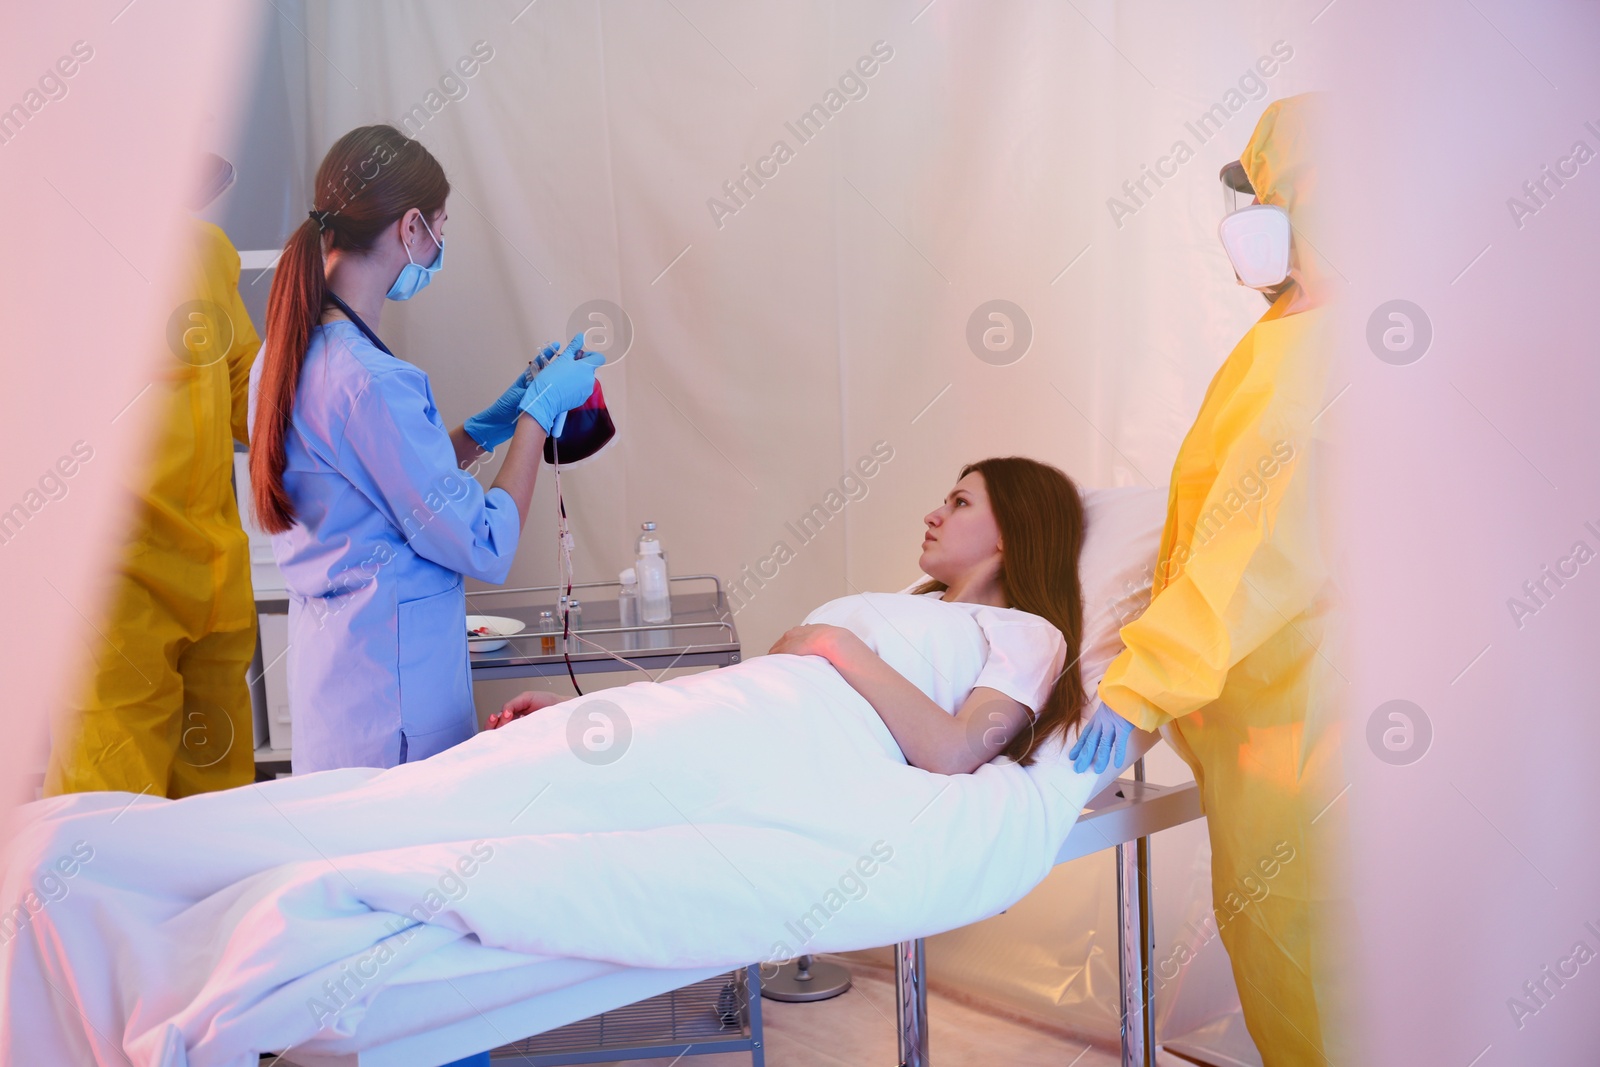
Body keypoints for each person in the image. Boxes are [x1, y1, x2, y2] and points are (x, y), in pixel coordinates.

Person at [1069, 94, 1334, 1064]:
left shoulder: (1314, 361)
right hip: (1281, 734)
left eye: (1258, 198)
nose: (1239, 224)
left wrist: (1136, 688)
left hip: (1311, 750)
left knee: (1322, 994)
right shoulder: (1298, 342)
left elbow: (1249, 559)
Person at [248, 124, 603, 774]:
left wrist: (484, 429)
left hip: (340, 696)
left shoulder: (283, 355)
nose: (440, 245)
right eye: (440, 227)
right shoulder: (374, 383)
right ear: (411, 228)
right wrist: (537, 412)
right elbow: (485, 543)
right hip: (396, 710)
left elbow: (388, 488)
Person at [492, 456, 1089, 777]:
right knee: (542, 758)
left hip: (786, 740)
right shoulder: (916, 606)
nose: (933, 513)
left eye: (960, 503)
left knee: (545, 775)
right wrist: (584, 710)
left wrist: (835, 642)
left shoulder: (1030, 635)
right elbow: (746, 693)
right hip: (750, 715)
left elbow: (956, 752)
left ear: (1013, 533)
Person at [44, 154, 262, 798]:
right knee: (109, 818)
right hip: (113, 590)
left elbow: (246, 390)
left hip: (214, 579)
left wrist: (344, 396)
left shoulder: (206, 248)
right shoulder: (55, 258)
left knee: (215, 816)